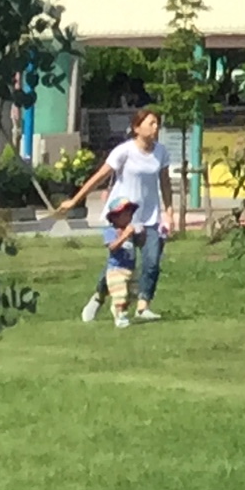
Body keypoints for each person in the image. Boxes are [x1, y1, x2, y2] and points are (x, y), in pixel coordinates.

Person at [53, 107, 177, 323]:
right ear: (137, 128)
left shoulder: (161, 152)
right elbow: (99, 177)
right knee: (120, 265)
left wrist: (169, 211)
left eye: (157, 123)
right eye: (151, 123)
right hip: (122, 216)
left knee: (152, 262)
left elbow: (165, 183)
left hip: (149, 216)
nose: (156, 127)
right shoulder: (124, 151)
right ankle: (98, 296)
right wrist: (75, 200)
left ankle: (143, 306)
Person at [99, 199, 144, 326]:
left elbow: (140, 244)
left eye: (130, 214)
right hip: (116, 269)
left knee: (133, 294)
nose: (129, 217)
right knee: (120, 294)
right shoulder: (111, 231)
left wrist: (141, 235)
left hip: (130, 268)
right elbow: (112, 247)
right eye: (125, 214)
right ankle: (119, 316)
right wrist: (124, 235)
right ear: (114, 217)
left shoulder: (129, 230)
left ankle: (122, 311)